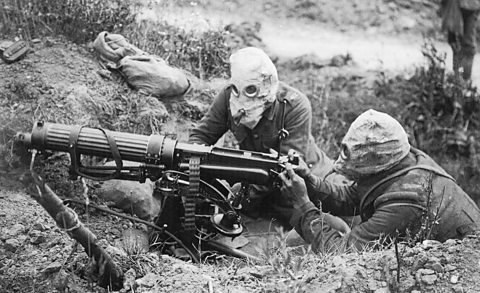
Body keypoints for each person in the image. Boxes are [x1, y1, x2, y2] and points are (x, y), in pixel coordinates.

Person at [279, 109, 480, 253]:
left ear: (376, 165)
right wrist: (309, 181)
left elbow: (340, 253)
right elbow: (353, 196)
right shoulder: (403, 160)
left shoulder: (406, 199)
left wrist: (303, 205)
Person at [189, 47, 334, 223]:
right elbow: (201, 136)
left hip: (303, 183)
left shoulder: (295, 106)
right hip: (258, 184)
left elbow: (287, 169)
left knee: (311, 228)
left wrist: (234, 195)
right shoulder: (228, 96)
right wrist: (199, 176)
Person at [440, 0, 480, 81]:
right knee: (455, 43)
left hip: (470, 7)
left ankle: (464, 79)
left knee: (468, 45)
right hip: (453, 5)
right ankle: (458, 78)